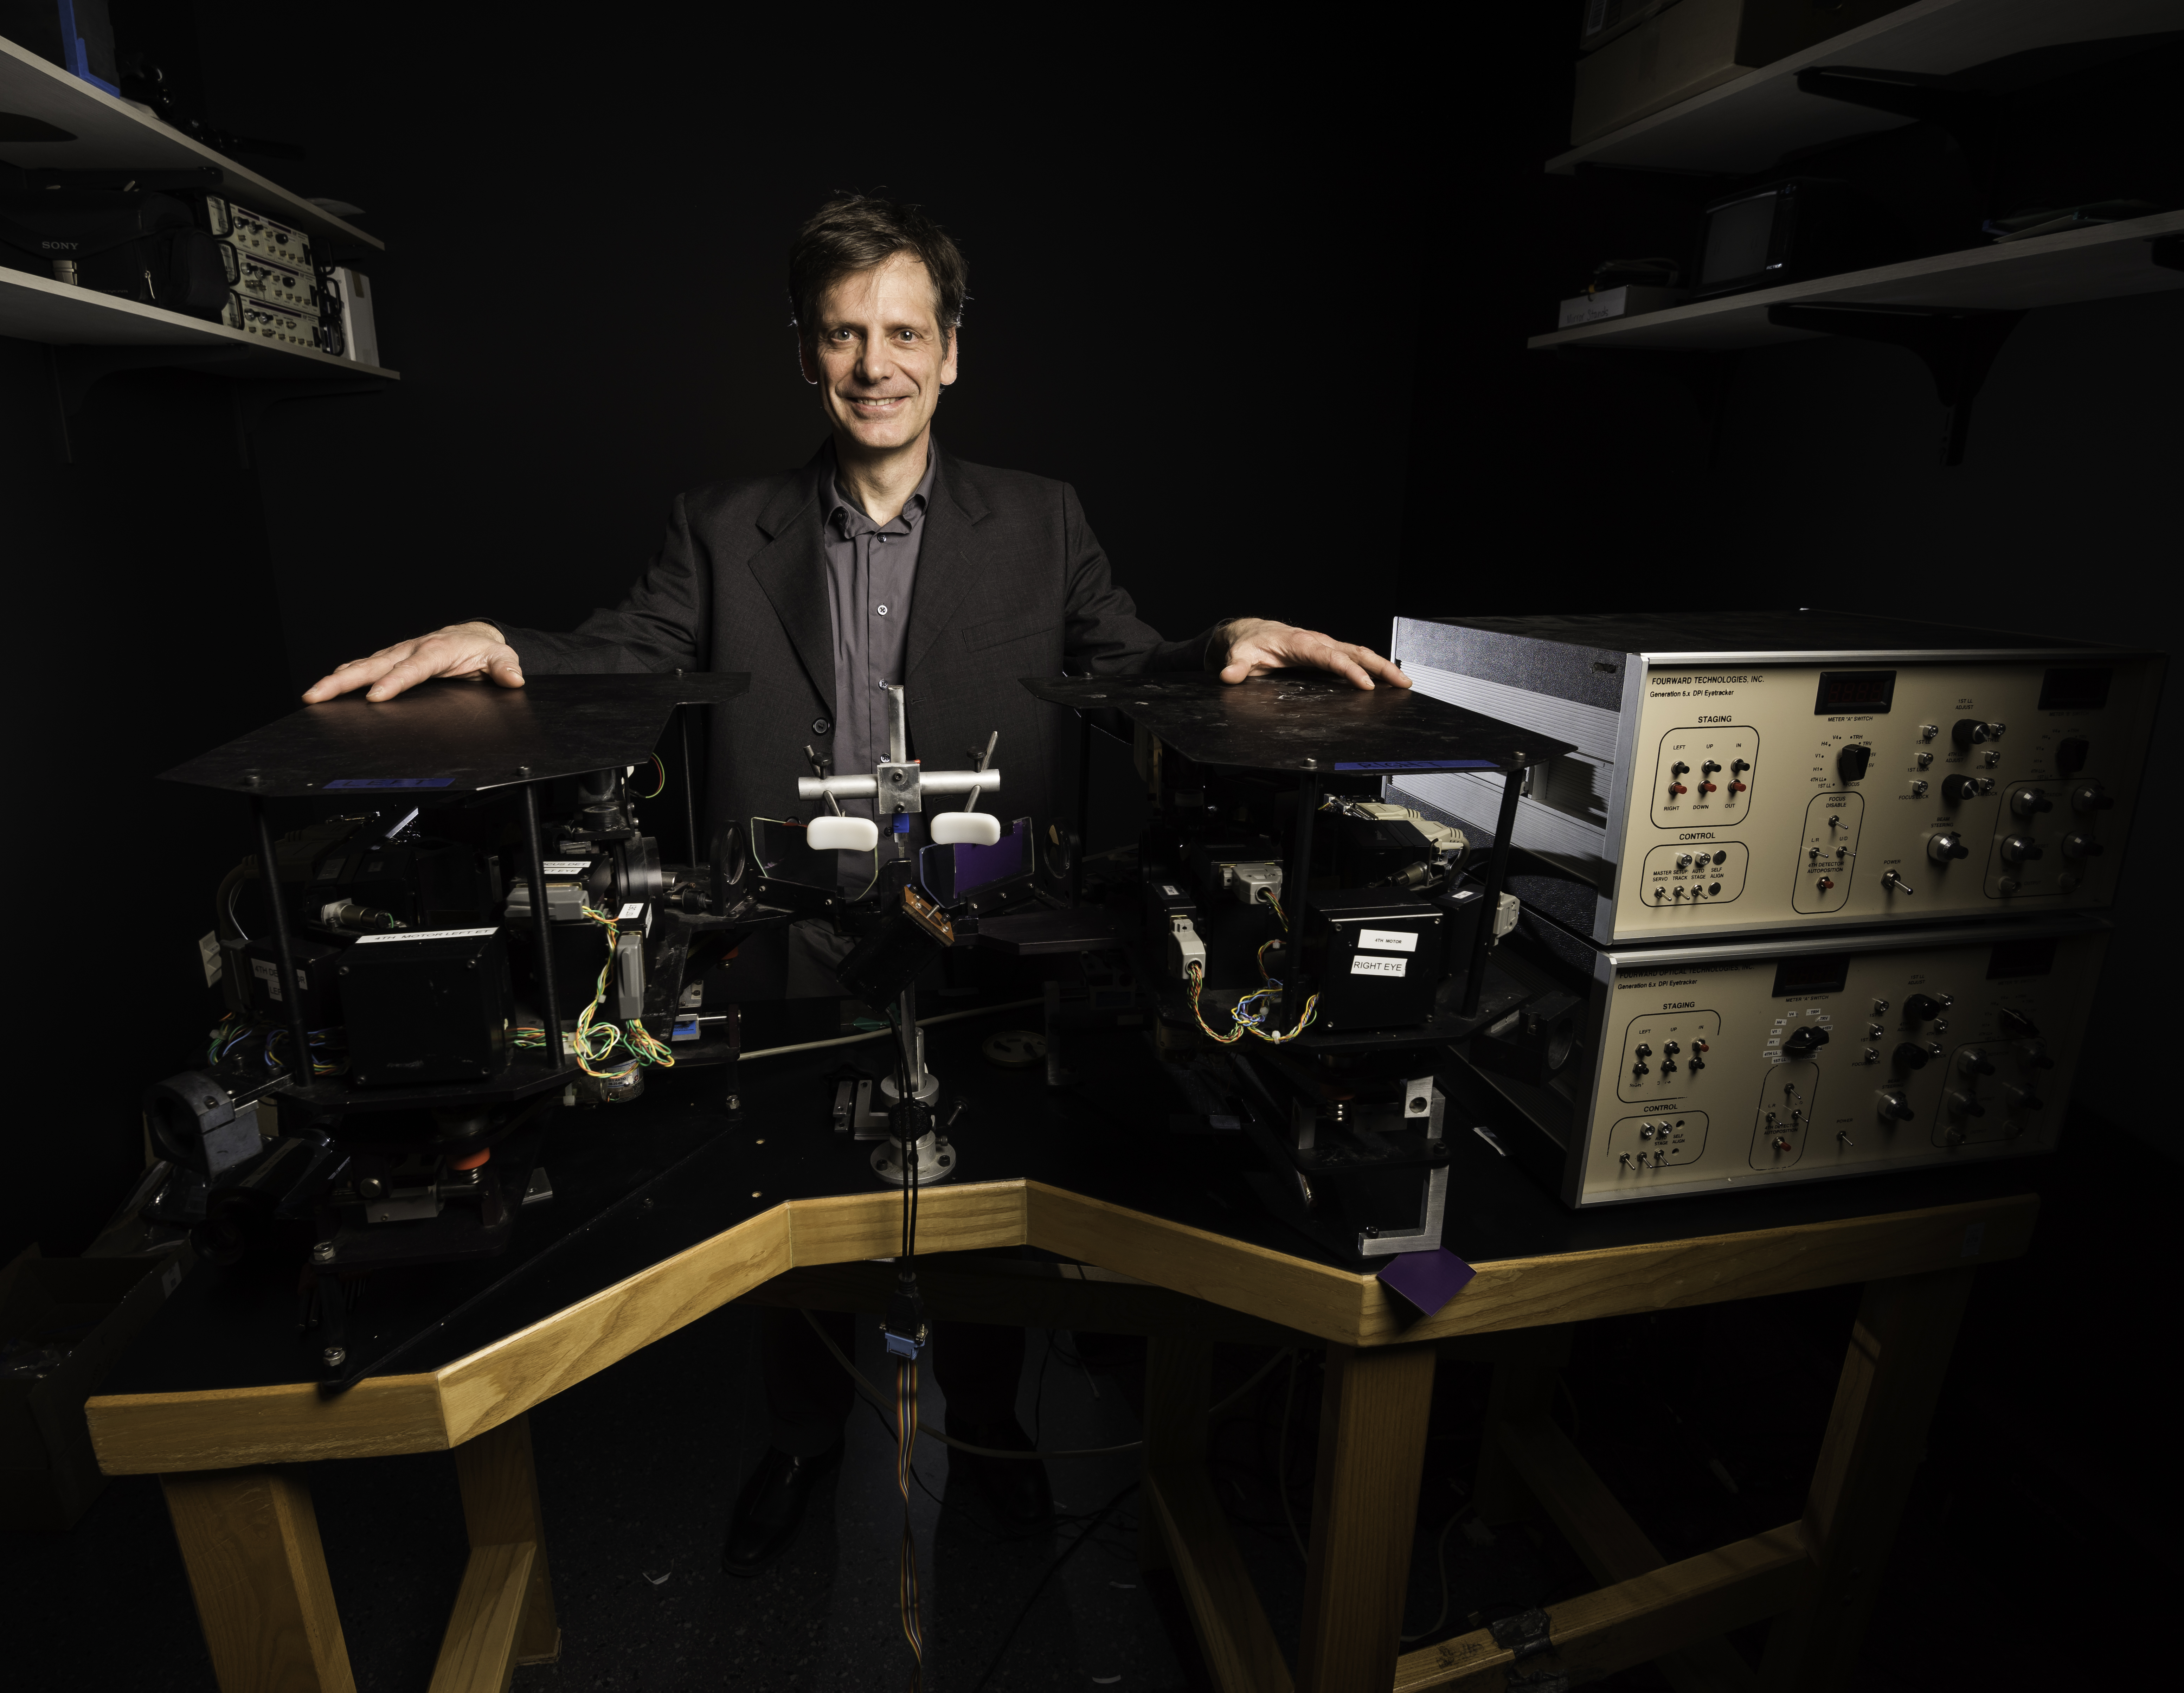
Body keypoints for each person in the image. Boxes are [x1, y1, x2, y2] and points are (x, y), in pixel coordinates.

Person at [303, 192, 1409, 1575]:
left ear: (952, 352)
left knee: (998, 1201)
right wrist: (500, 643)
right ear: (805, 354)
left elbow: (1128, 657)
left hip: (985, 927)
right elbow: (624, 650)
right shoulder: (720, 527)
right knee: (797, 1217)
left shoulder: (1043, 522)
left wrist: (1225, 637)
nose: (874, 363)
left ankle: (990, 1425)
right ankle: (804, 1440)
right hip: (789, 934)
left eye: (902, 332)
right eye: (843, 335)